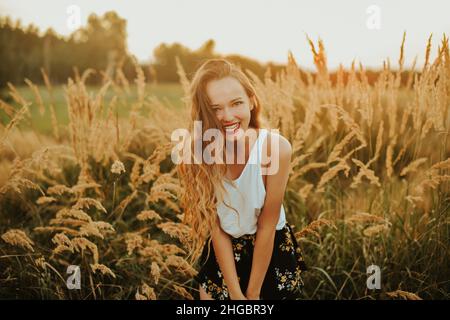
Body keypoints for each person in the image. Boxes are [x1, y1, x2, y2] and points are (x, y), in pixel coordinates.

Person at [177, 58, 306, 300]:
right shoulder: (198, 151)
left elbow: (267, 225)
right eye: (215, 108)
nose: (227, 116)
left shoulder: (275, 149)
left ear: (252, 101)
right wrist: (236, 294)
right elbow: (215, 227)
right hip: (223, 249)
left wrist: (253, 294)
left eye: (236, 103)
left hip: (269, 248)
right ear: (204, 112)